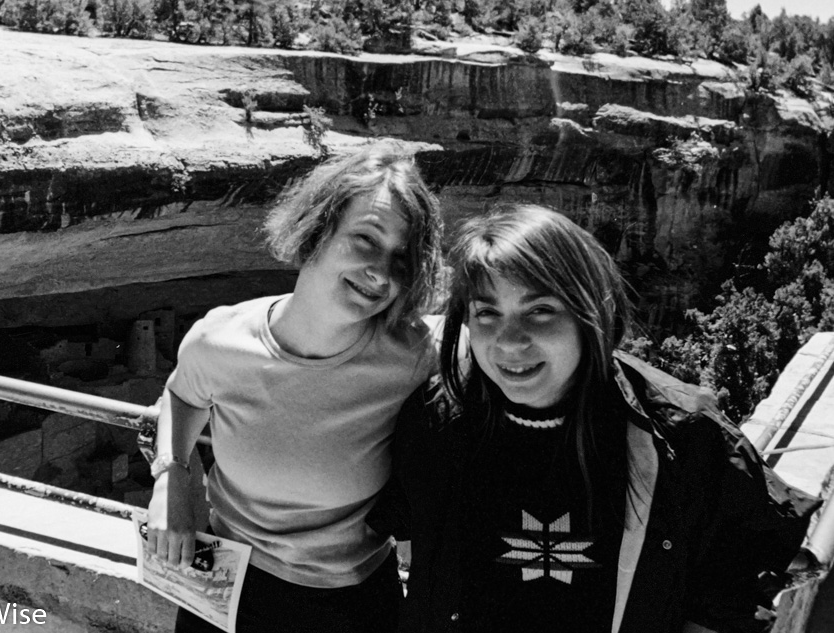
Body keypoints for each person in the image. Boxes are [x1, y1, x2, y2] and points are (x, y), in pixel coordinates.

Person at [367, 205, 818, 633]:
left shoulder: (679, 433)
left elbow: (739, 571)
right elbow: (397, 530)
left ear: (590, 312)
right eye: (487, 313)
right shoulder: (437, 418)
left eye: (539, 310)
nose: (509, 342)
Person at [145, 142, 444, 633]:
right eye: (366, 240)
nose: (381, 272)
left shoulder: (414, 354)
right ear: (316, 230)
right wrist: (173, 478)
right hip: (224, 583)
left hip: (351, 603)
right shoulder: (221, 340)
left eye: (402, 258)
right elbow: (181, 396)